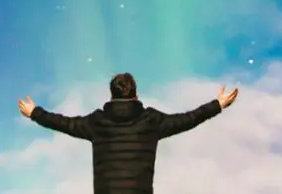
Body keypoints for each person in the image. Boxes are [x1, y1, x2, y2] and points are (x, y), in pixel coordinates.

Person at [17, 72, 239, 193]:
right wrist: (217, 105)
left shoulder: (97, 122)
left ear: (111, 95)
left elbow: (63, 123)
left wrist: (35, 112)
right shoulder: (152, 121)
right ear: (136, 94)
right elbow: (189, 118)